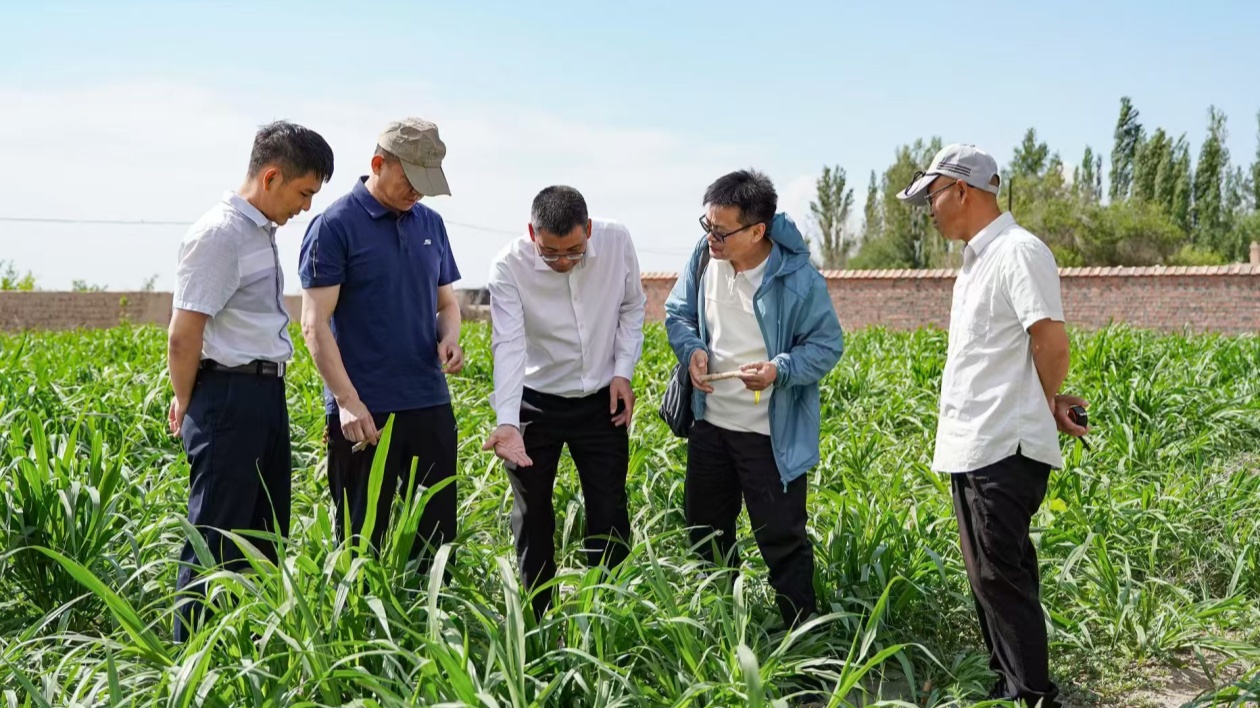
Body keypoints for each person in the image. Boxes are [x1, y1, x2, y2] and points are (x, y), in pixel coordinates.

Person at [897, 143, 1090, 708]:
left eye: (932, 197)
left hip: (1002, 446)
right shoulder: (977, 260)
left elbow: (1050, 340)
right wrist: (1045, 399)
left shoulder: (1017, 251)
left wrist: (1045, 398)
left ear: (962, 189)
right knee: (990, 578)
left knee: (1001, 580)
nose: (929, 210)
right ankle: (1009, 685)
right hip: (975, 445)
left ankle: (1033, 695)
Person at [167, 120, 334, 642]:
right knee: (215, 538)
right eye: (304, 192)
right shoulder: (219, 234)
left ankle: (245, 657)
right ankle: (189, 666)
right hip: (226, 397)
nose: (305, 207)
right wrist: (188, 401)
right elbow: (183, 333)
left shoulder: (257, 232)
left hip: (262, 394)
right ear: (271, 176)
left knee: (265, 536)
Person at [664, 169, 844, 629]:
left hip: (770, 437)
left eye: (721, 231)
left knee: (783, 541)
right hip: (710, 427)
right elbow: (677, 314)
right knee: (706, 533)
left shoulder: (799, 280)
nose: (711, 239)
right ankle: (722, 626)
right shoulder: (703, 260)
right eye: (707, 227)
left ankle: (801, 639)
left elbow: (826, 347)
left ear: (757, 231)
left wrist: (778, 371)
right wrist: (693, 351)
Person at [298, 117, 464, 575]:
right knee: (360, 542)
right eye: (411, 181)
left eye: (427, 185)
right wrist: (348, 403)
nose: (419, 193)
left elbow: (447, 304)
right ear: (378, 163)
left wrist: (449, 337)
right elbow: (314, 325)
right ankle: (361, 639)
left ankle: (431, 635)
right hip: (364, 413)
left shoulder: (430, 223)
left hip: (428, 403)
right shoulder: (334, 226)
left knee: (436, 540)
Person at [482, 185, 647, 621]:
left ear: (589, 230)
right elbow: (510, 344)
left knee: (609, 507)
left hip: (600, 400)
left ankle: (609, 614)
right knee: (533, 513)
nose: (562, 263)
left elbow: (632, 308)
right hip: (535, 404)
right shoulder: (509, 265)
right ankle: (538, 617)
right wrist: (507, 421)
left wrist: (622, 372)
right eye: (550, 253)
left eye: (574, 251)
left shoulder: (617, 242)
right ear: (530, 234)